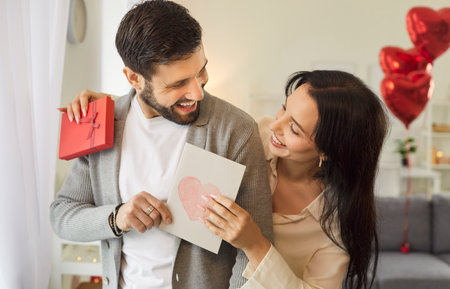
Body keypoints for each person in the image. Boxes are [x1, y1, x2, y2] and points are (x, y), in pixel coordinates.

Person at [69, 70, 389, 289]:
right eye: (283, 110)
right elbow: (189, 115)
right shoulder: (252, 135)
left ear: (330, 151)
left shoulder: (334, 225)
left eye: (294, 129)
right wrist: (127, 106)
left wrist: (256, 245)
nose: (276, 125)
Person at [50, 1, 273, 289]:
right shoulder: (100, 119)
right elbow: (61, 215)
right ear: (134, 78)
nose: (197, 92)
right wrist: (117, 217)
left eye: (201, 72)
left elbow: (253, 246)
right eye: (178, 84)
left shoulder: (236, 130)